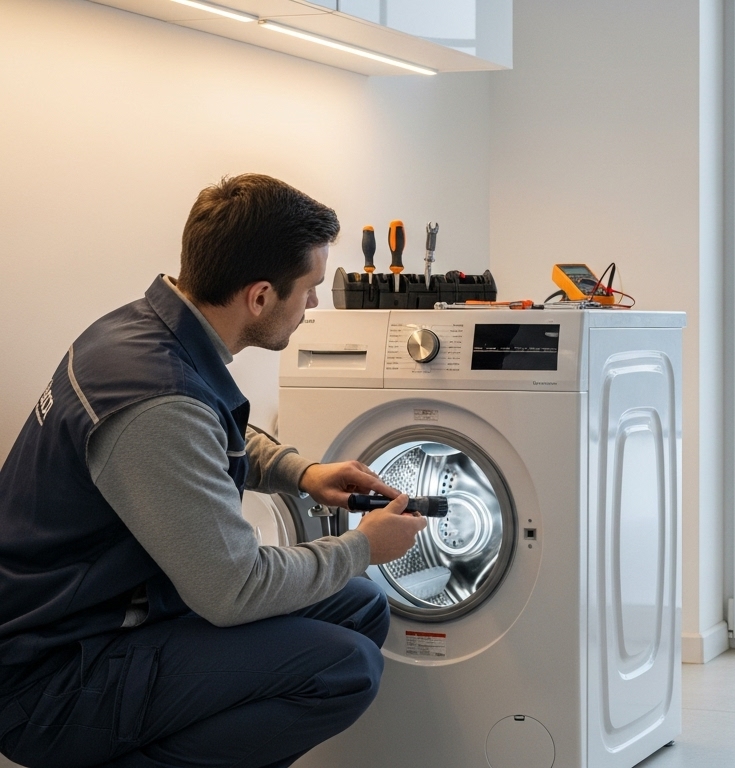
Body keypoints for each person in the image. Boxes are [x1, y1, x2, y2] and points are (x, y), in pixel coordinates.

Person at [0, 174, 428, 767]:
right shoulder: (157, 403)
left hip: (90, 619)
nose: (314, 306)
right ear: (259, 296)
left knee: (358, 607)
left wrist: (299, 472)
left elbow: (201, 429)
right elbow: (234, 590)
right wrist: (362, 545)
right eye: (309, 290)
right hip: (51, 677)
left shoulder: (138, 333)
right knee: (344, 668)